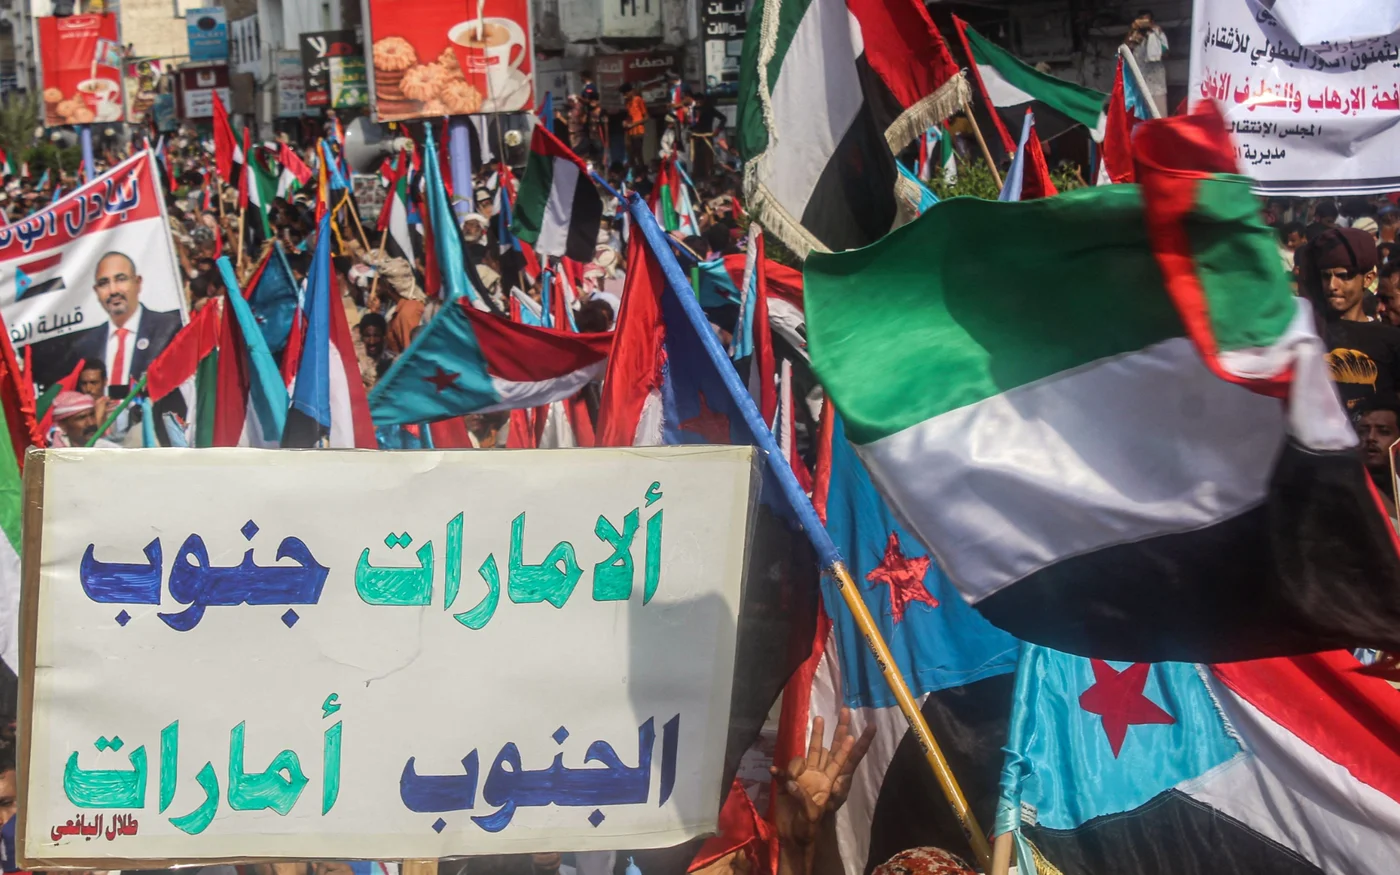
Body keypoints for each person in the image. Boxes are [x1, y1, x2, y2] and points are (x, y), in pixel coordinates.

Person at [1299, 226, 1400, 409]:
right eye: (1325, 276)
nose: (1332, 285)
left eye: (1343, 276)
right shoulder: (1308, 331)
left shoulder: (1391, 341)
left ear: (1368, 279)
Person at [73, 252, 183, 391]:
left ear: (137, 283)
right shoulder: (86, 346)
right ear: (96, 291)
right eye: (104, 283)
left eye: (120, 279)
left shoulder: (169, 329)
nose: (113, 290)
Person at [50, 391, 119, 448]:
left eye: (92, 415)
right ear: (63, 425)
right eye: (81, 418)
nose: (91, 423)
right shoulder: (51, 459)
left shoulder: (113, 452)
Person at [623, 83, 648, 169]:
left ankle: (642, 173)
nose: (625, 96)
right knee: (630, 154)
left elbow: (646, 117)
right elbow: (628, 116)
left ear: (631, 92)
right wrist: (625, 122)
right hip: (629, 131)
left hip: (638, 130)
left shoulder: (638, 100)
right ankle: (633, 173)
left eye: (626, 93)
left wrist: (634, 124)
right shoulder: (626, 102)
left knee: (638, 153)